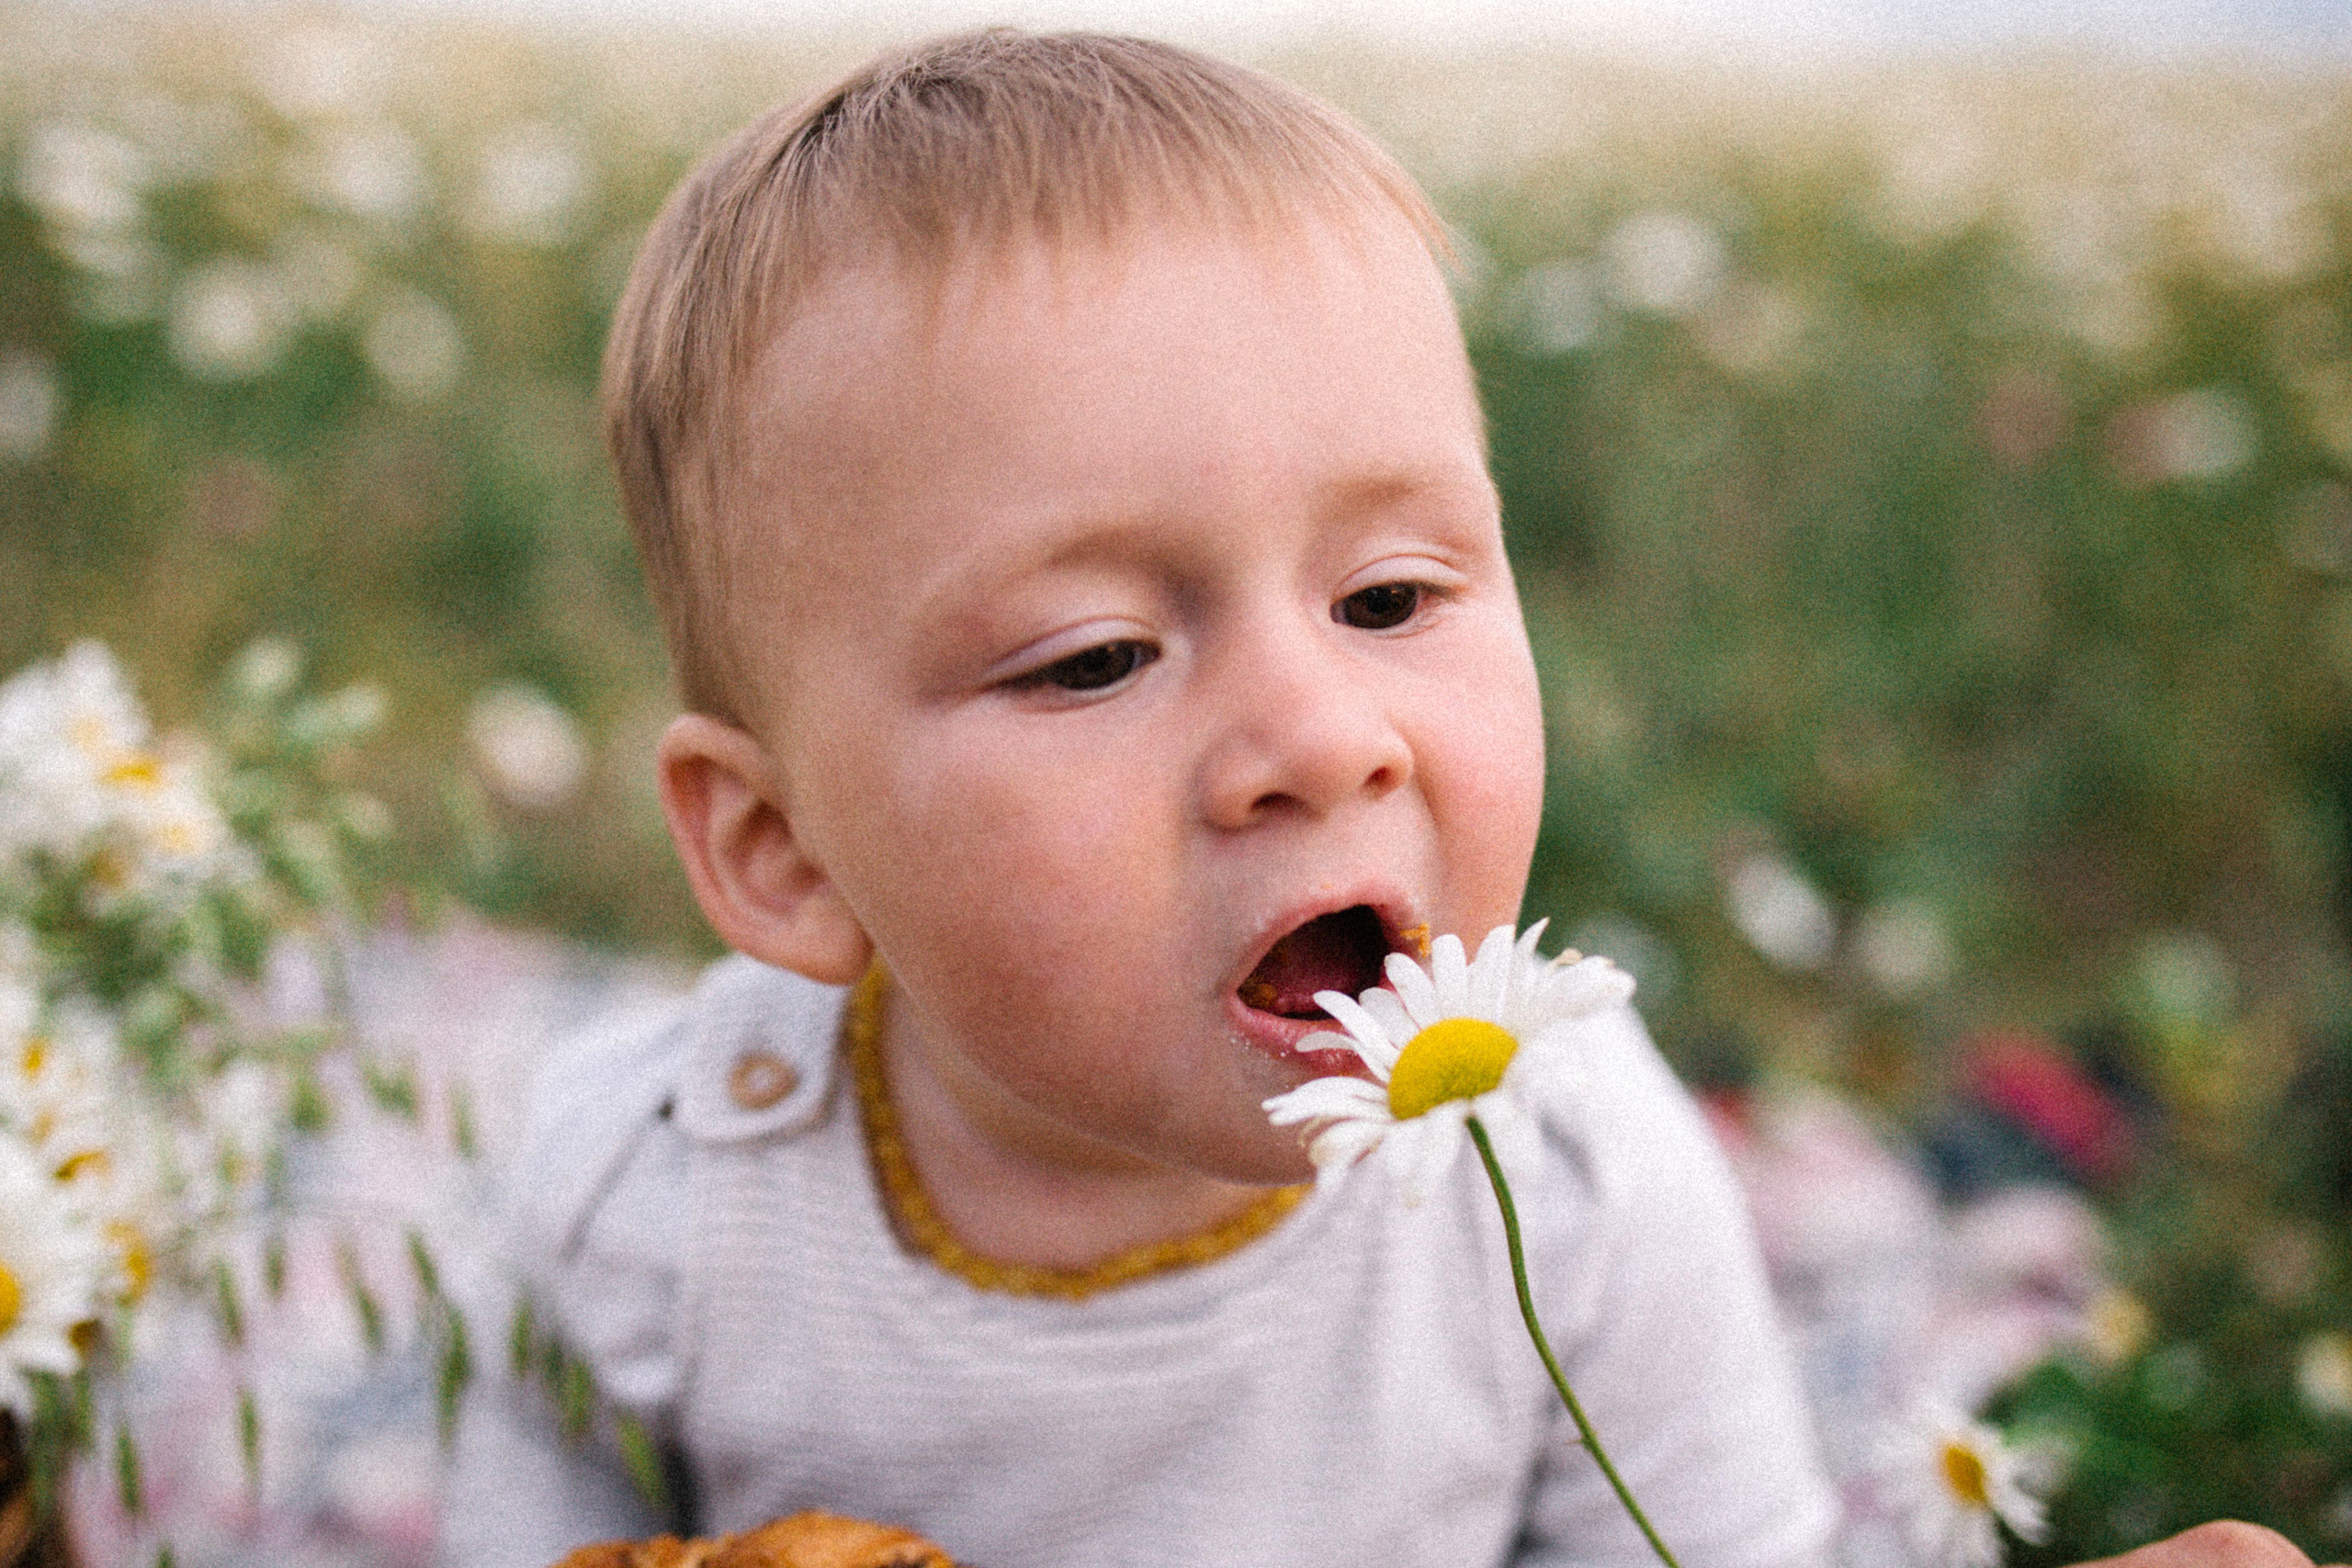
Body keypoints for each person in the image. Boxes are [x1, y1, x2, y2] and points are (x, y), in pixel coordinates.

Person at [435, 31, 2324, 1568]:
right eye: (1092, 655)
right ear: (784, 854)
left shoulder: (1567, 1183)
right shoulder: (655, 1193)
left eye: (1389, 598)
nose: (1321, 736)